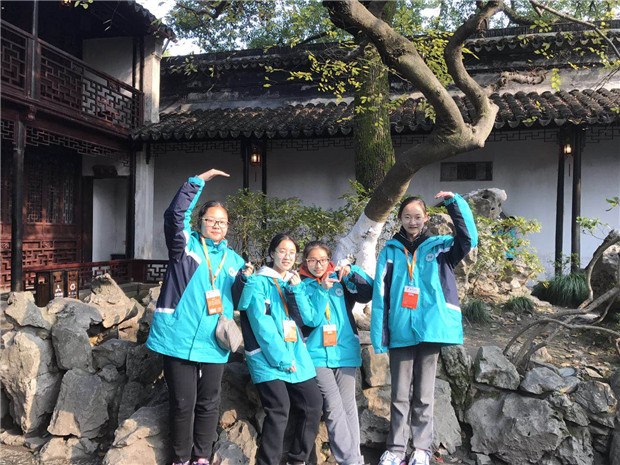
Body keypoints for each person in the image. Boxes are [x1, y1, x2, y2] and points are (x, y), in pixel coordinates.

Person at [146, 169, 253, 465]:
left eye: (222, 222)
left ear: (228, 227)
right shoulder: (185, 248)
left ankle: (202, 457)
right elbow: (174, 216)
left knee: (209, 402)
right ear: (200, 222)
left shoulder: (235, 261)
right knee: (182, 404)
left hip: (214, 341)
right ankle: (181, 458)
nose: (217, 225)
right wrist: (197, 182)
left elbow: (242, 302)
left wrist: (246, 281)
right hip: (177, 337)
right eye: (211, 220)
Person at [372, 191, 478, 465]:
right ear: (400, 219)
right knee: (399, 395)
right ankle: (396, 449)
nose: (412, 221)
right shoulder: (390, 251)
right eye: (407, 216)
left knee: (424, 395)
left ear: (426, 218)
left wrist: (453, 203)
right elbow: (380, 294)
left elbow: (468, 240)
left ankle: (421, 449)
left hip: (430, 331)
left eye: (417, 216)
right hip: (400, 330)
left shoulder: (440, 248)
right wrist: (379, 334)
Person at [239, 233, 323, 465]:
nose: (287, 256)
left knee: (313, 403)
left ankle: (298, 459)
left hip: (296, 355)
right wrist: (283, 360)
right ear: (271, 253)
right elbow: (262, 326)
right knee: (279, 408)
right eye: (282, 251)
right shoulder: (258, 282)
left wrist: (297, 290)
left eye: (292, 252)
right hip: (266, 358)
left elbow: (310, 319)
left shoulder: (293, 283)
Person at [299, 241, 373, 465]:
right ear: (305, 262)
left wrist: (353, 271)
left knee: (348, 407)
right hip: (316, 355)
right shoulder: (300, 285)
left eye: (322, 260)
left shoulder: (340, 280)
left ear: (329, 260)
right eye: (312, 260)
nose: (318, 265)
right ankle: (350, 460)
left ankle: (354, 459)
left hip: (344, 352)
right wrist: (322, 290)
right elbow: (310, 319)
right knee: (332, 405)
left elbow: (367, 293)